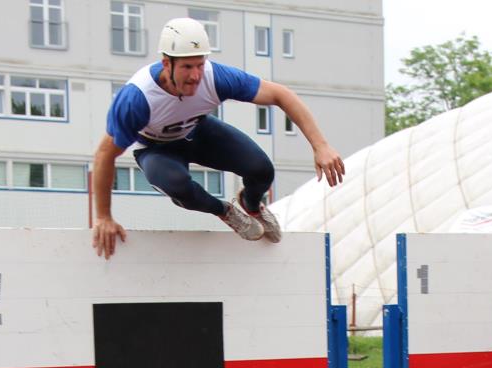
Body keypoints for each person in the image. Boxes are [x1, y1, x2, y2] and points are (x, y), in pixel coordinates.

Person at [90, 17, 346, 259]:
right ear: (167, 64)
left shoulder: (216, 77)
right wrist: (103, 216)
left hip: (198, 133)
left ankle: (252, 204)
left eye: (199, 65)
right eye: (187, 67)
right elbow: (104, 155)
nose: (194, 76)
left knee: (262, 170)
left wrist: (320, 145)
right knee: (176, 184)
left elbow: (281, 95)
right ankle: (224, 211)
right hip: (156, 149)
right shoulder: (137, 98)